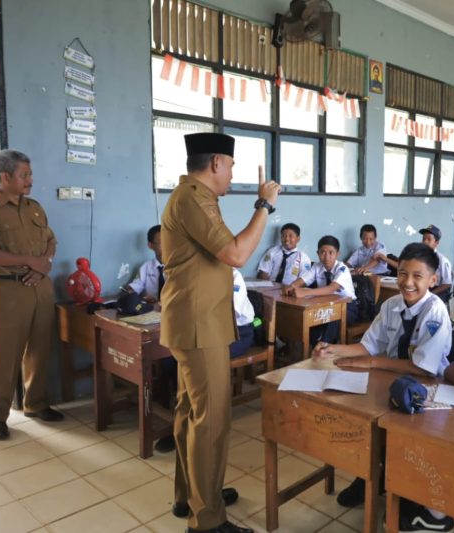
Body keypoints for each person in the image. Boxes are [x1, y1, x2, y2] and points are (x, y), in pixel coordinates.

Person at [160, 132, 279, 533]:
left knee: (191, 413)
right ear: (215, 163)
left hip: (195, 322)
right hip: (200, 327)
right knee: (210, 421)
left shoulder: (196, 198)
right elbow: (237, 253)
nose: (231, 173)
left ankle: (193, 496)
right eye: (230, 165)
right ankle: (207, 520)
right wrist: (264, 206)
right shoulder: (193, 198)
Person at [312, 242, 454, 532]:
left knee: (407, 442)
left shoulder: (435, 312)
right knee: (366, 425)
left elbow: (423, 368)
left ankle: (409, 495)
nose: (408, 282)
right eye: (402, 273)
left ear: (432, 280)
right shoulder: (391, 305)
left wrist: (372, 363)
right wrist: (332, 349)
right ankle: (371, 476)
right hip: (388, 380)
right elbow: (367, 346)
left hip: (426, 390)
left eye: (417, 276)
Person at [0, 150, 64, 440]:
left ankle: (36, 403)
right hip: (8, 289)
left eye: (30, 174)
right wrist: (31, 262)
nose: (30, 180)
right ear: (5, 176)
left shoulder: (34, 207)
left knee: (40, 347)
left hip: (40, 286)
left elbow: (51, 241)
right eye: (25, 175)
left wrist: (43, 265)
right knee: (3, 354)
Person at [155, 267, 257, 454]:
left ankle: (200, 428)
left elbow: (225, 312)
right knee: (171, 358)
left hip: (237, 332)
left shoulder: (231, 275)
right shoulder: (192, 272)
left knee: (201, 363)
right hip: (205, 330)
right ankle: (184, 421)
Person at [283, 235, 358, 344]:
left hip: (347, 307)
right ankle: (307, 346)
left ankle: (323, 347)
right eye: (323, 252)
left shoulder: (342, 269)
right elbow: (303, 279)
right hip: (326, 305)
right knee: (307, 320)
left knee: (333, 318)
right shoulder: (317, 266)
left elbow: (331, 288)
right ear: (318, 253)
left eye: (331, 253)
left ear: (338, 254)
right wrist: (292, 286)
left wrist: (306, 292)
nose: (326, 257)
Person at [126, 225, 164, 307]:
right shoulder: (145, 268)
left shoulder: (178, 267)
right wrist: (133, 293)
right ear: (151, 245)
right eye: (163, 242)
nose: (168, 246)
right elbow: (134, 288)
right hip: (152, 309)